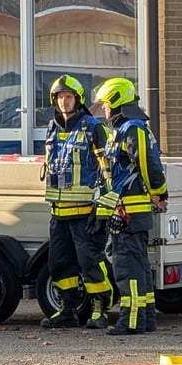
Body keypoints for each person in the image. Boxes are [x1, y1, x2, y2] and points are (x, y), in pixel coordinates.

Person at [91, 77, 166, 335]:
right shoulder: (125, 130)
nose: (104, 109)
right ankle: (146, 318)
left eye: (106, 104)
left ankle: (131, 320)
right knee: (139, 266)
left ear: (116, 102)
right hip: (128, 211)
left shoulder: (131, 129)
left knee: (127, 269)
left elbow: (147, 164)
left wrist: (159, 192)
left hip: (129, 213)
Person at [40, 75, 114, 330]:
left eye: (68, 97)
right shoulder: (52, 127)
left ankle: (99, 310)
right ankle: (68, 310)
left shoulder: (93, 128)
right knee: (59, 264)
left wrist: (104, 208)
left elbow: (108, 171)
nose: (64, 102)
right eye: (60, 97)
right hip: (58, 213)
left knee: (90, 263)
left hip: (86, 213)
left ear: (78, 99)